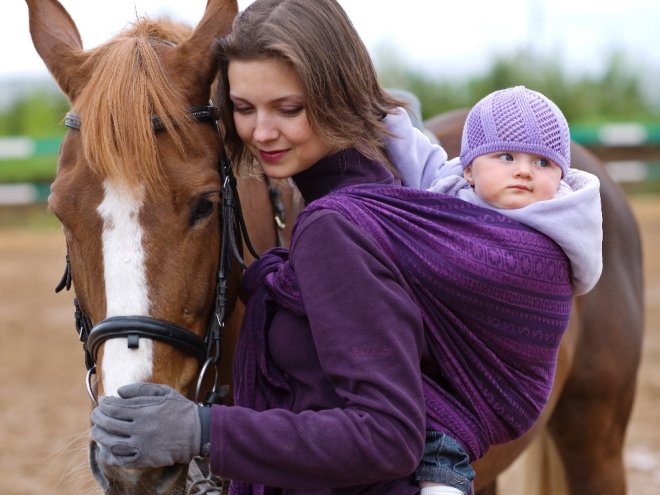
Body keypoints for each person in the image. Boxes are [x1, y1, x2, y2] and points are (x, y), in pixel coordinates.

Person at [90, 2, 575, 494]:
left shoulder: (336, 227)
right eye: (243, 108)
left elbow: (389, 437)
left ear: (336, 95)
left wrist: (203, 429)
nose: (261, 132)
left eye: (289, 108)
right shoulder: (388, 185)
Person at [384, 86, 602, 494]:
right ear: (468, 170)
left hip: (487, 380)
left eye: (542, 162)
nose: (523, 171)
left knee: (445, 446)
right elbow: (421, 158)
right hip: (431, 357)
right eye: (506, 157)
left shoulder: (553, 226)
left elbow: (583, 274)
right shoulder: (452, 190)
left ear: (560, 177)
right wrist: (387, 117)